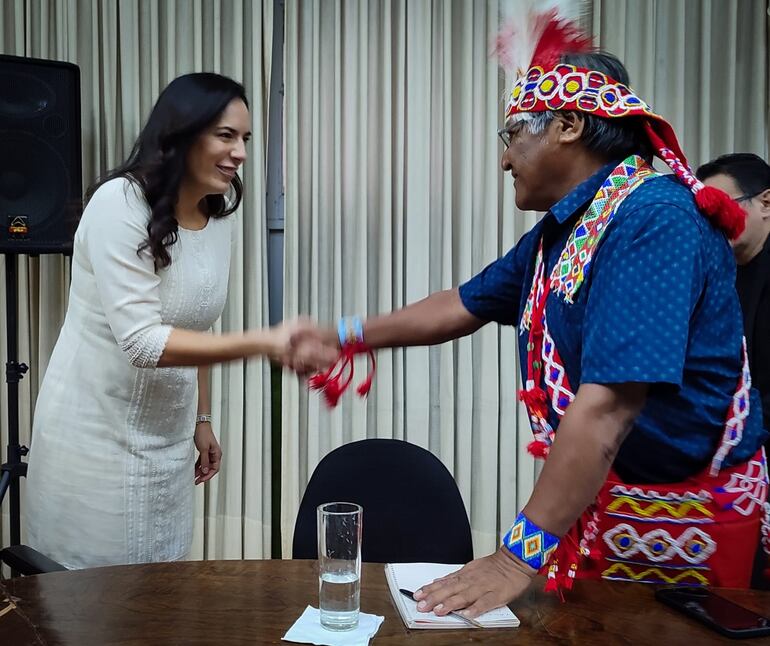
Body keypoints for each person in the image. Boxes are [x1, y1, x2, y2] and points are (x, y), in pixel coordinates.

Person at [295, 15, 769, 617]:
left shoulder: (654, 218)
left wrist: (515, 559)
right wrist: (344, 335)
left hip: (692, 525)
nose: (504, 160)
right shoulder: (559, 234)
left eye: (512, 134)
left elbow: (610, 405)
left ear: (568, 125)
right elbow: (462, 304)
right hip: (603, 505)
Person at [24, 73, 332, 569]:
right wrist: (264, 340)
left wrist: (201, 419)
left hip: (166, 450)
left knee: (157, 603)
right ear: (182, 134)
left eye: (245, 139)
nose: (241, 153)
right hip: (92, 447)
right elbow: (143, 343)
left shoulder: (218, 217)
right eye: (226, 136)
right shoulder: (118, 204)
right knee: (90, 610)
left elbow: (196, 325)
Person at [697, 154, 770, 435]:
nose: (716, 221)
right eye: (707, 212)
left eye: (724, 206)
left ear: (765, 203)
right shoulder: (716, 272)